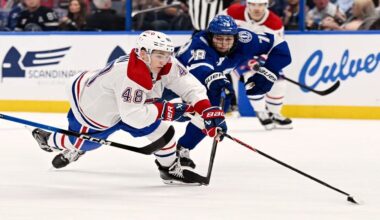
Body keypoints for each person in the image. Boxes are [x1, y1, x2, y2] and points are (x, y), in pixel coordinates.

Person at [30, 30, 227, 185]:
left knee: (163, 133)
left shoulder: (163, 63)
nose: (165, 60)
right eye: (160, 55)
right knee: (86, 143)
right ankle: (49, 140)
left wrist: (206, 110)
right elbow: (134, 116)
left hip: (130, 106)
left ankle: (168, 169)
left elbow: (190, 87)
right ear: (143, 53)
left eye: (167, 54)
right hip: (93, 108)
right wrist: (168, 110)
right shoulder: (131, 74)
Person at [174, 15, 291, 168]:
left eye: (228, 39)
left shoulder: (245, 39)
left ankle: (182, 149)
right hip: (170, 77)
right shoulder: (200, 44)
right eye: (219, 39)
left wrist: (269, 72)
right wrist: (216, 79)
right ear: (210, 36)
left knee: (213, 113)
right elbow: (200, 70)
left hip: (200, 81)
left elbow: (279, 45)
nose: (223, 44)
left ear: (236, 37)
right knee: (145, 115)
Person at [222, 0, 292, 130]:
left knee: (279, 82)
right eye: (253, 4)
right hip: (236, 54)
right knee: (250, 78)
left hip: (262, 55)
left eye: (260, 5)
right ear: (247, 4)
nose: (257, 8)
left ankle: (275, 113)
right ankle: (261, 111)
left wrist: (262, 60)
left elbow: (276, 47)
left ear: (267, 5)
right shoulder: (232, 12)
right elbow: (217, 30)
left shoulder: (275, 22)